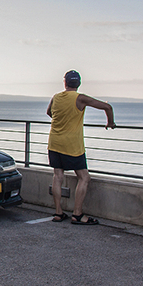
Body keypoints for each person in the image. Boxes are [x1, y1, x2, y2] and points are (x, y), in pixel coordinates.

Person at [47, 70, 116, 225]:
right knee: (84, 177)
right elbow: (108, 107)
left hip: (54, 142)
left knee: (58, 176)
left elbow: (49, 112)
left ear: (65, 82)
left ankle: (58, 213)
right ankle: (77, 214)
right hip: (72, 145)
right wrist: (110, 123)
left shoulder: (56, 97)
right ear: (79, 83)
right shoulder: (80, 98)